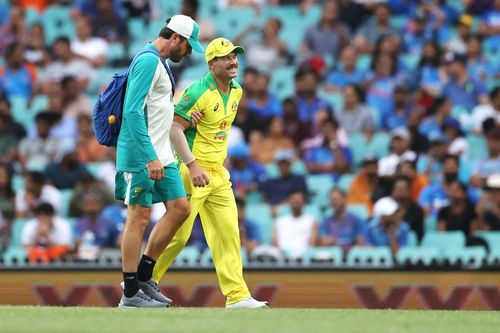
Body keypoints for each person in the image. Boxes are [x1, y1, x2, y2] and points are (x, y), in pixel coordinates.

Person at [153, 37, 268, 309]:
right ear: (211, 63)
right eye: (226, 57)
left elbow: (216, 129)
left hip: (218, 174)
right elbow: (174, 129)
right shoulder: (197, 91)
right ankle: (139, 282)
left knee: (228, 234)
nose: (233, 61)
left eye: (235, 56)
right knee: (177, 235)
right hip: (191, 171)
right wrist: (193, 165)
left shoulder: (237, 90)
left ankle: (237, 296)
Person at [115, 15, 204, 308]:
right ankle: (129, 293)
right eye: (188, 46)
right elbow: (131, 111)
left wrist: (185, 118)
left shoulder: (161, 64)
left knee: (180, 209)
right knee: (138, 218)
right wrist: (149, 156)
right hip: (144, 156)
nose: (188, 52)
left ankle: (143, 275)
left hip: (162, 154)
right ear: (175, 38)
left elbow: (156, 108)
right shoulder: (148, 61)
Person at [272, 190, 318, 260]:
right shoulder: (280, 221)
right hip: (282, 259)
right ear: (289, 201)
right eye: (294, 200)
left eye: (299, 200)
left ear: (304, 202)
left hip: (304, 259)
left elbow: (312, 243)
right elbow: (275, 242)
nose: (296, 202)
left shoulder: (311, 220)